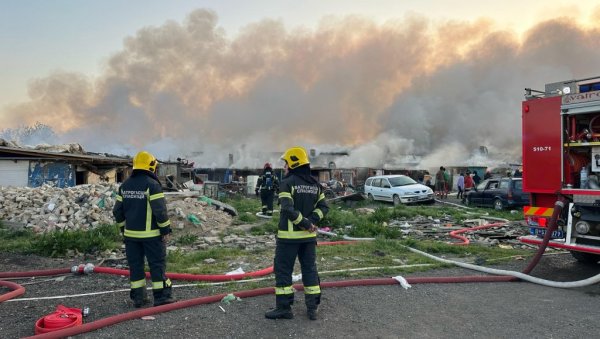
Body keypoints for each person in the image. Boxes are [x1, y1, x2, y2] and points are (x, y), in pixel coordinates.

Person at [265, 146, 329, 321]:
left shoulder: (288, 182)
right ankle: (312, 308)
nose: (284, 167)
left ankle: (284, 309)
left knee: (283, 270)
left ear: (293, 163)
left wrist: (305, 223)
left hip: (288, 239)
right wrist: (312, 222)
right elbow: (324, 207)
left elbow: (287, 208)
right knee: (309, 270)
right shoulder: (315, 185)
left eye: (286, 163)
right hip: (308, 238)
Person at [113, 151, 174, 308]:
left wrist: (123, 229)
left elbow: (117, 211)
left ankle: (139, 299)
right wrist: (165, 231)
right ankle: (161, 297)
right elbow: (160, 211)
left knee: (136, 266)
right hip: (152, 236)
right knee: (156, 265)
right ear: (152, 166)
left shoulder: (125, 185)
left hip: (131, 237)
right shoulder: (152, 185)